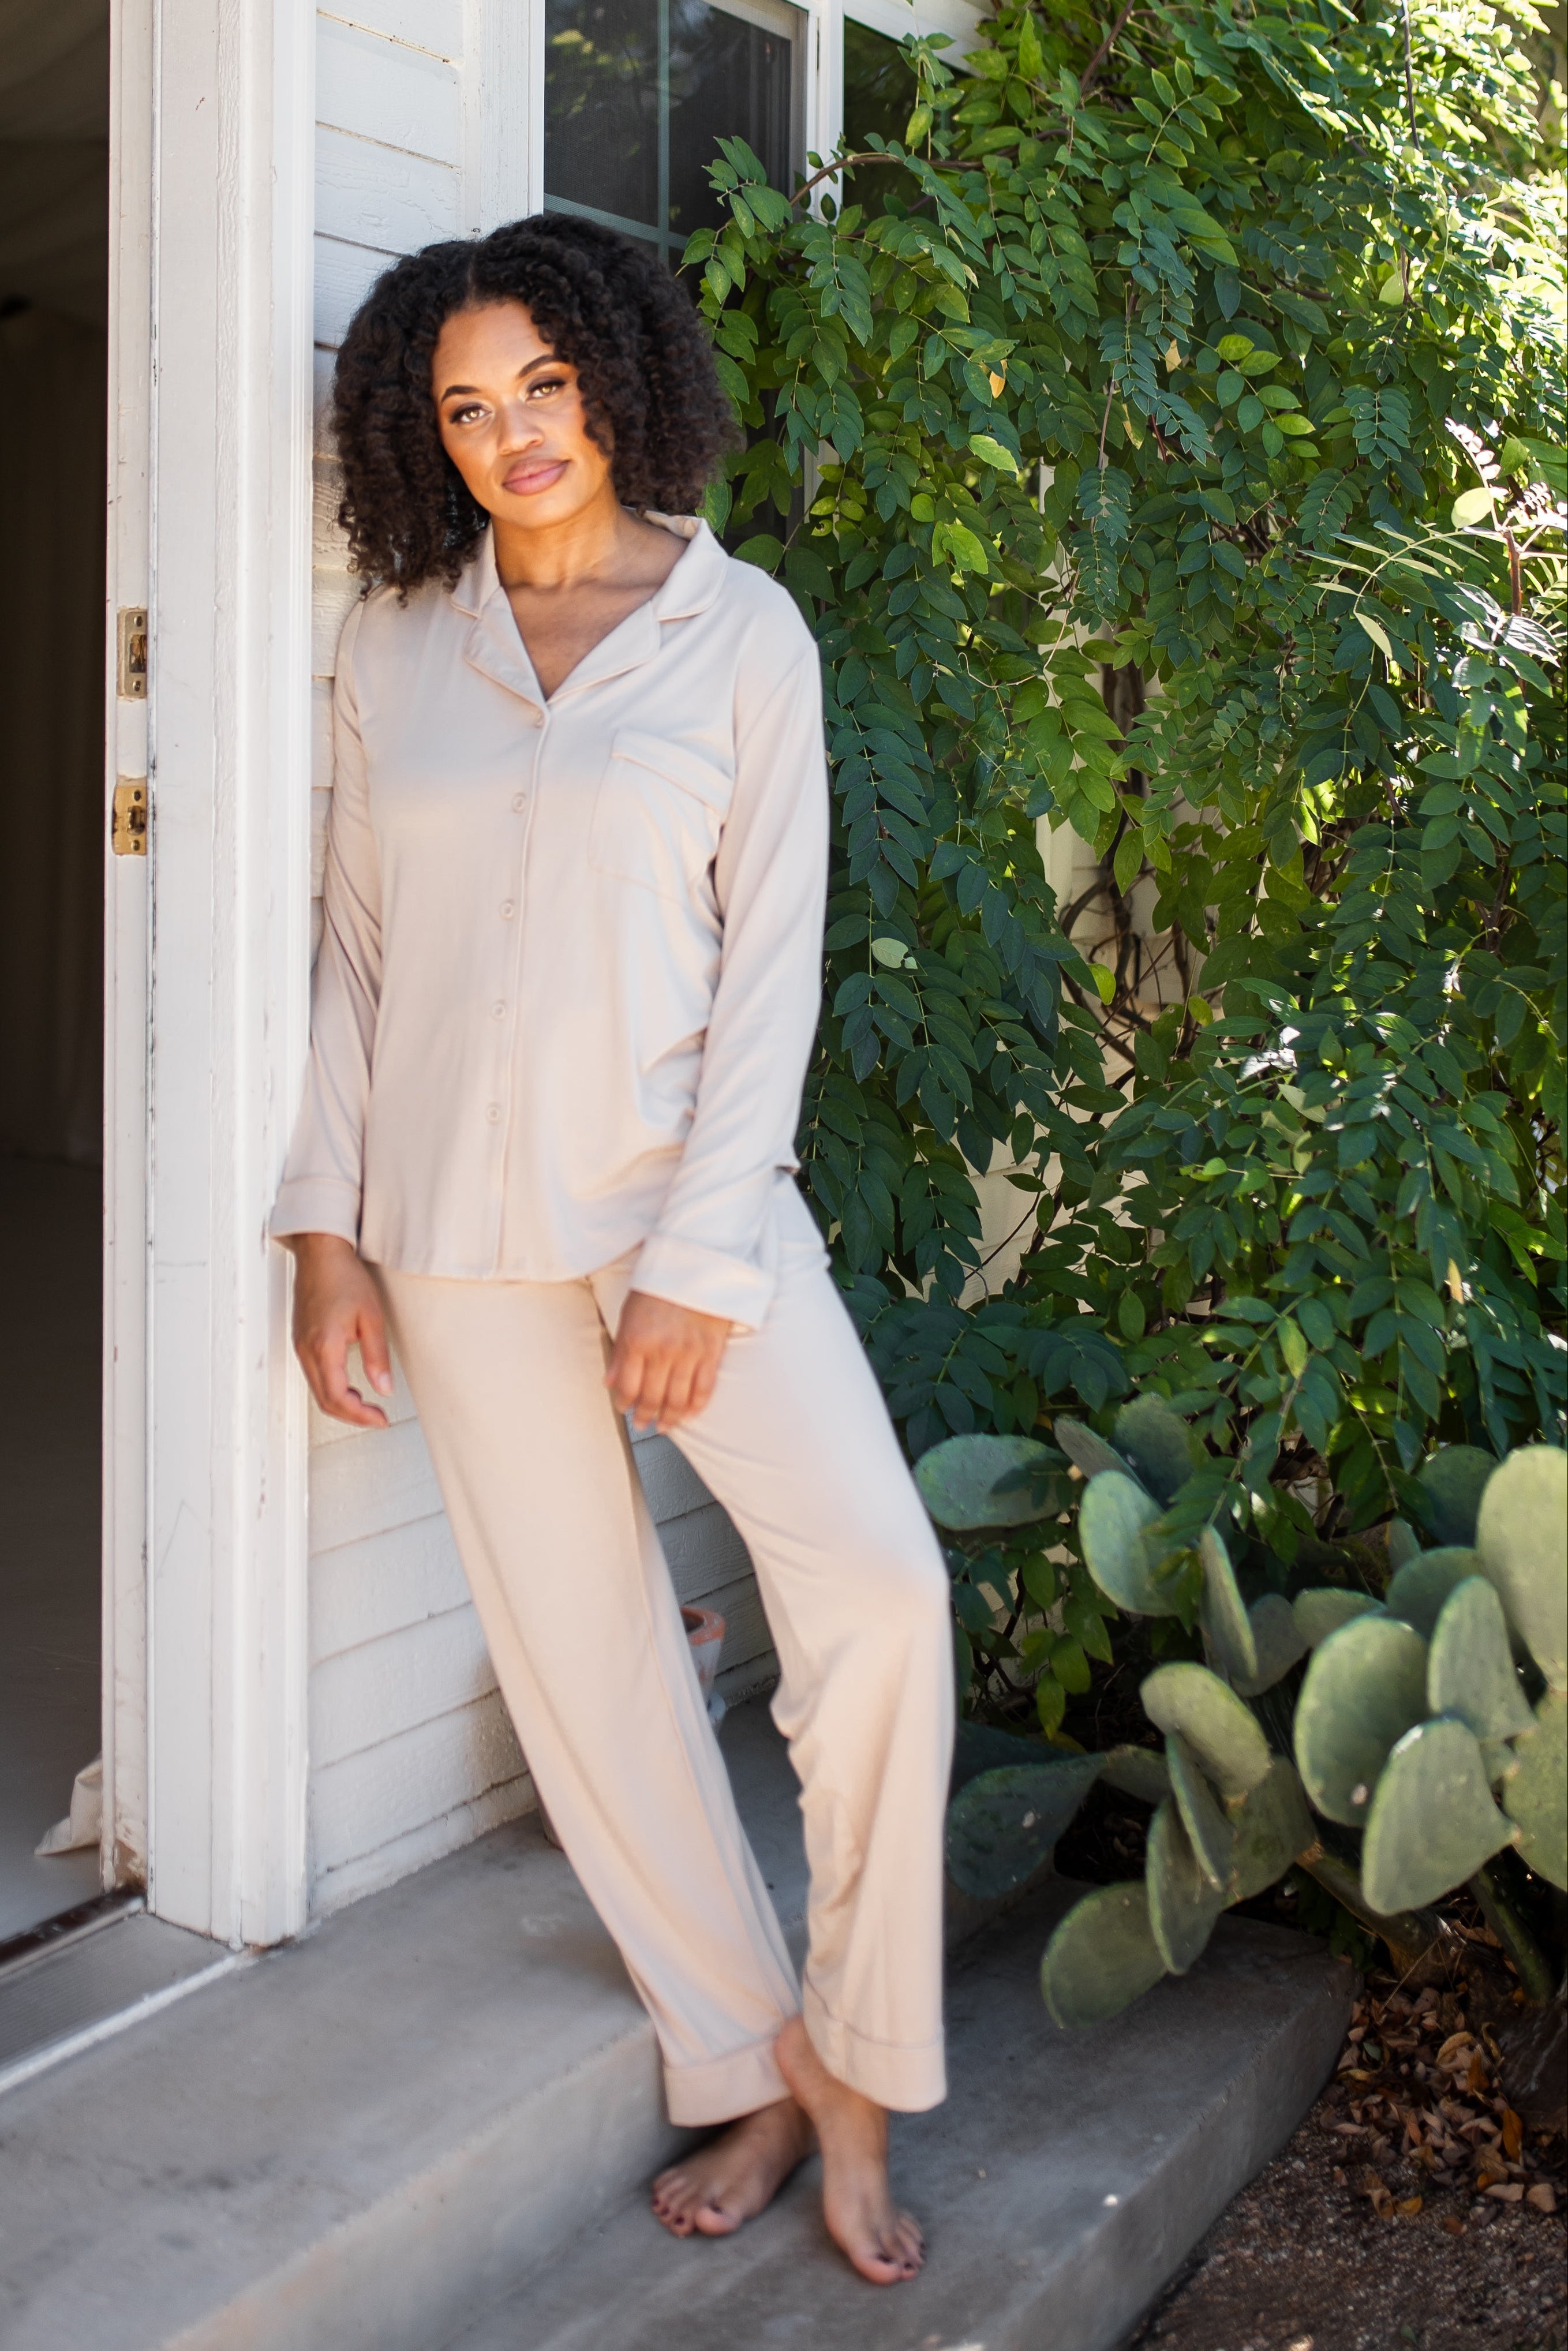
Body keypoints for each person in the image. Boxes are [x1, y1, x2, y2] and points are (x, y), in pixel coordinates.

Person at [273, 213, 953, 2288]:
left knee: (883, 1592)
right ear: (427, 433)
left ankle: (860, 2054)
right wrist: (324, 1225)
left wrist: (699, 1263)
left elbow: (773, 976)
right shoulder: (399, 646)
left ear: (617, 381)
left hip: (690, 1214)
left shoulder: (744, 639)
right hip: (453, 1244)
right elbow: (358, 956)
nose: (511, 438)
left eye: (543, 389)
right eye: (466, 409)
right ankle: (744, 2062)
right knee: (590, 1670)